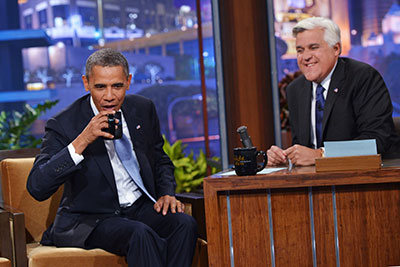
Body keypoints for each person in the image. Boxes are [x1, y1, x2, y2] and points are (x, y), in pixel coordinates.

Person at [27, 48, 197, 266]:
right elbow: (37, 187)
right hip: (92, 218)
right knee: (139, 234)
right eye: (100, 87)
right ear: (86, 83)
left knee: (184, 224)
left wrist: (166, 193)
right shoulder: (64, 123)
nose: (109, 96)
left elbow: (159, 157)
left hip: (138, 208)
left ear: (128, 81)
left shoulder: (142, 108)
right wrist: (83, 139)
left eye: (117, 86)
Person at [267, 17, 400, 166]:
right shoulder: (295, 90)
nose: (305, 57)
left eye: (313, 47)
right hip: (317, 181)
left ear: (336, 49)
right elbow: (304, 148)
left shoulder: (363, 78)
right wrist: (285, 158)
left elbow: (376, 141)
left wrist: (322, 154)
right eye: (300, 50)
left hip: (369, 176)